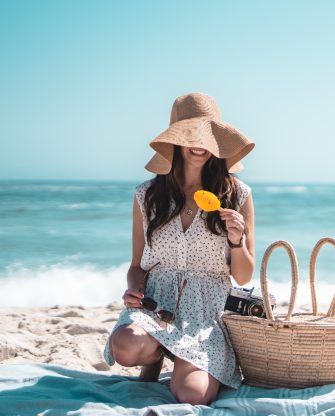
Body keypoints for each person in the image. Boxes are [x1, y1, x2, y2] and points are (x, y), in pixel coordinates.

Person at [102, 92, 256, 406]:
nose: (198, 143)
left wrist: (237, 240)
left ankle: (186, 361)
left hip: (206, 314)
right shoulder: (146, 195)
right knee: (125, 346)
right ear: (176, 139)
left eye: (205, 135)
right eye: (190, 134)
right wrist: (133, 291)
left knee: (193, 395)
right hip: (155, 308)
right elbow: (137, 265)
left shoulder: (237, 194)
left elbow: (243, 275)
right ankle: (157, 353)